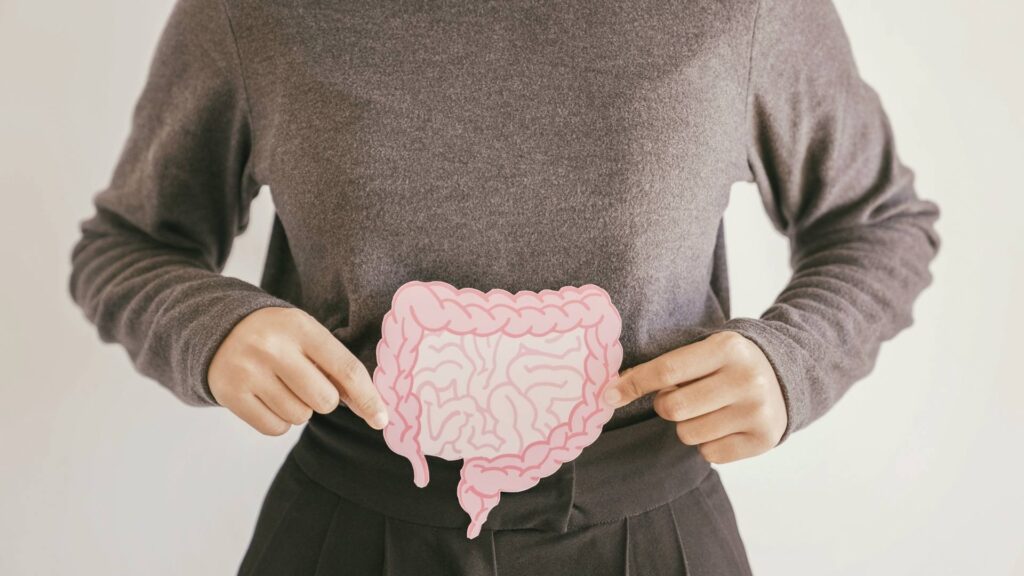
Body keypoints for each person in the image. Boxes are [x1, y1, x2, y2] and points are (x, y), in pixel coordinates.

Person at [67, 0, 941, 574]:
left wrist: (795, 359)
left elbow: (878, 224)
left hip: (653, 531)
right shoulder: (256, 12)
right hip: (351, 528)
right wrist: (209, 327)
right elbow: (128, 244)